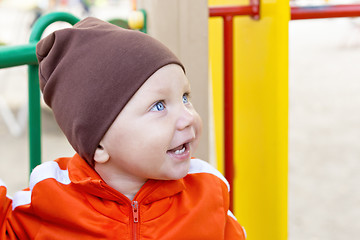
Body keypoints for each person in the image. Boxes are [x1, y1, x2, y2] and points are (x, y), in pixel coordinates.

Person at [0, 17, 246, 239]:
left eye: (185, 97)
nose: (188, 117)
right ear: (98, 145)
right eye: (159, 106)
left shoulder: (208, 193)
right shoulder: (47, 200)